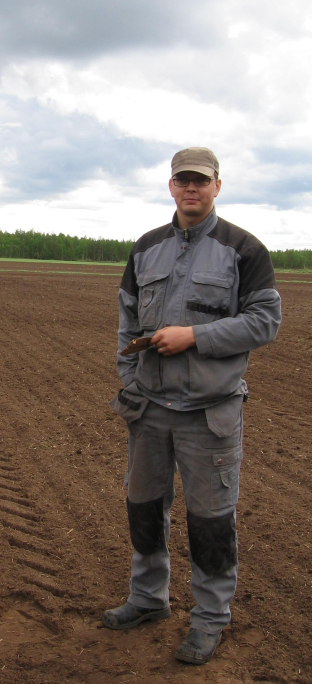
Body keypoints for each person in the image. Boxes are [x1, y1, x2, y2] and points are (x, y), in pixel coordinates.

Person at [103, 148, 281, 664]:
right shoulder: (145, 250)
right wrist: (131, 385)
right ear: (171, 185)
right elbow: (126, 324)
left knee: (210, 521)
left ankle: (209, 619)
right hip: (150, 410)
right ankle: (147, 599)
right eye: (183, 180)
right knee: (143, 508)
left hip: (210, 413)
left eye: (200, 181)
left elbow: (264, 323)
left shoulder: (244, 251)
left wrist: (195, 337)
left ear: (217, 187)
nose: (191, 189)